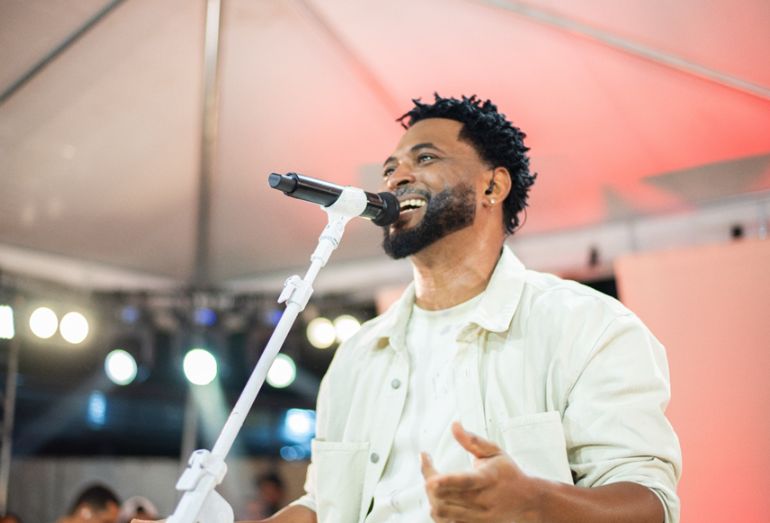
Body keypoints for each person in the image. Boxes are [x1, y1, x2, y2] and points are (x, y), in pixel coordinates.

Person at [262, 93, 682, 522]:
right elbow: (322, 504)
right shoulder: (357, 355)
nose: (395, 178)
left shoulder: (588, 326)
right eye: (389, 169)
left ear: (492, 186)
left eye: (425, 159)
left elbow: (650, 505)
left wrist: (535, 504)